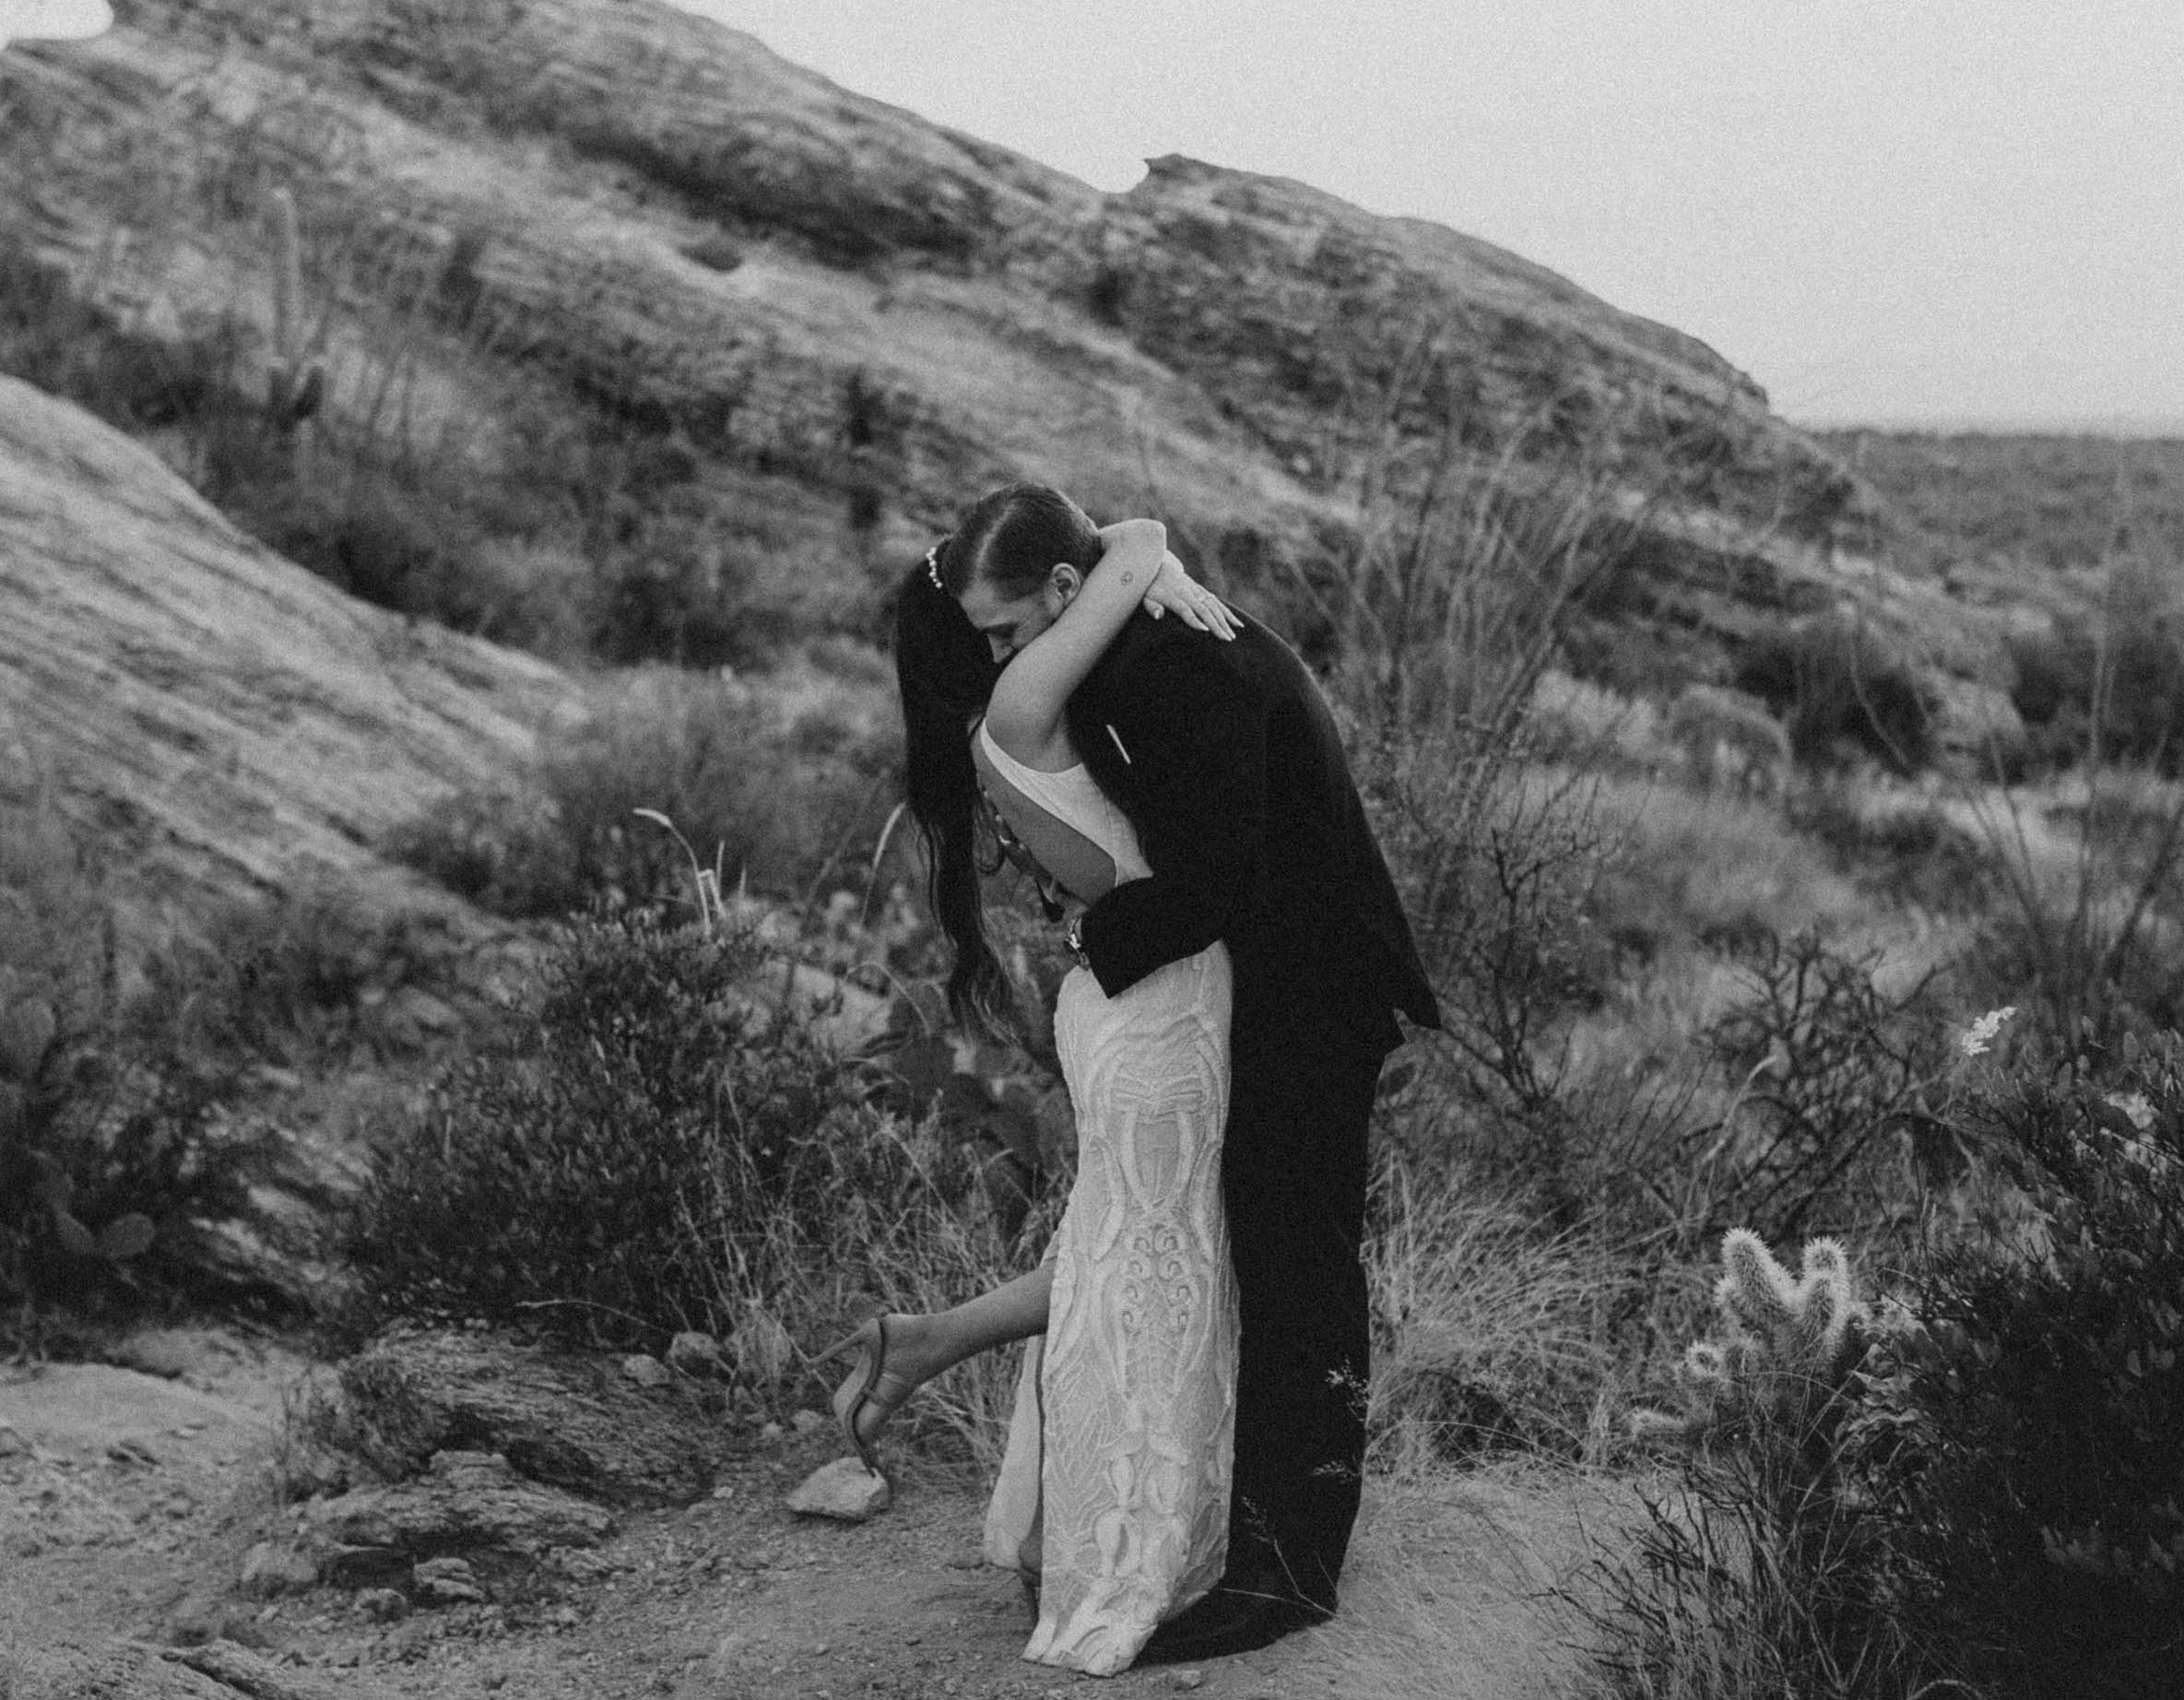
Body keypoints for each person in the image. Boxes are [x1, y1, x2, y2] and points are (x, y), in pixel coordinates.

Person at [823, 495, 1244, 1676]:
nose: (1015, 645)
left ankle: (934, 1356)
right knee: (1150, 1268)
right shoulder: (1019, 707)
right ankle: (1116, 1546)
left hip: (1119, 1002)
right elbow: (1135, 546)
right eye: (997, 628)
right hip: (1158, 1004)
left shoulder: (999, 726)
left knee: (1126, 1247)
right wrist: (1148, 551)